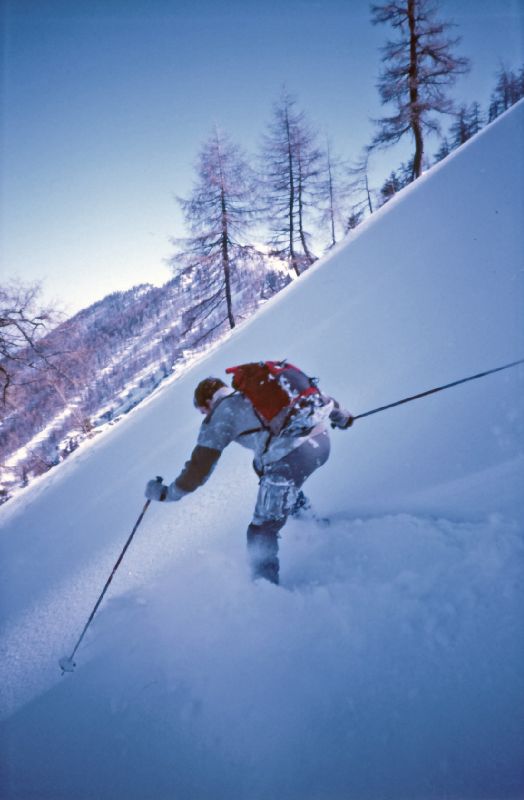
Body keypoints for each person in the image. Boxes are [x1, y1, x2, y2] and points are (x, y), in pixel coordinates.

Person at [145, 371, 353, 585]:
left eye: (202, 410)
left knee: (261, 530)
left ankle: (265, 591)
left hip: (292, 458)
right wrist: (343, 417)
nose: (204, 415)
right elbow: (322, 399)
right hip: (321, 441)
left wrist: (166, 493)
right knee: (271, 476)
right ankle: (314, 528)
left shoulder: (220, 415)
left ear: (208, 401)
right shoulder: (257, 395)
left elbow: (198, 470)